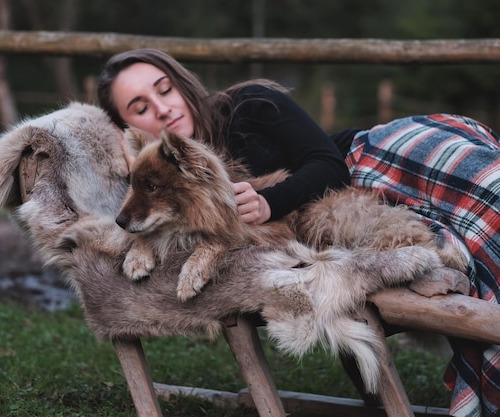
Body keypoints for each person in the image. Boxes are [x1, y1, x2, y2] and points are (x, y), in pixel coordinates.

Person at [96, 48, 500, 417]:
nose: (163, 109)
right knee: (472, 254)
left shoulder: (251, 103)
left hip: (375, 157)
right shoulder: (164, 178)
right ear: (122, 128)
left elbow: (328, 162)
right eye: (141, 107)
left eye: (164, 89)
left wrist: (270, 201)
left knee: (489, 194)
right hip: (353, 214)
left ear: (181, 83)